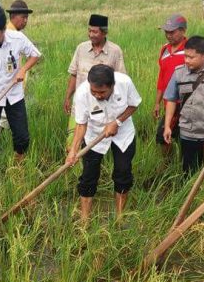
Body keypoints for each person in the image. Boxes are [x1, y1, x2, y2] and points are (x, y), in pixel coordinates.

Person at [66, 64, 141, 223]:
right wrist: (73, 150)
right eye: (94, 92)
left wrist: (118, 121)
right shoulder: (82, 93)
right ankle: (85, 219)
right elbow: (81, 124)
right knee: (88, 176)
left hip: (123, 135)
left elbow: (134, 104)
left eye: (102, 92)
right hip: (94, 136)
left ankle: (120, 217)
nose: (97, 95)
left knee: (122, 173)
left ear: (112, 86)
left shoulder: (124, 83)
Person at [0, 8, 41, 177]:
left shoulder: (17, 38)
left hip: (15, 95)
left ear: (4, 29)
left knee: (22, 138)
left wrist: (23, 69)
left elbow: (35, 55)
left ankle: (16, 171)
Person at [162, 36, 204, 175]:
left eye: (191, 57)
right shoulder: (179, 73)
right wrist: (167, 125)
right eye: (185, 56)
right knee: (188, 171)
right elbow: (171, 99)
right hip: (188, 132)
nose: (187, 61)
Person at [64, 14, 126, 146]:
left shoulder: (115, 51)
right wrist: (68, 97)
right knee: (72, 140)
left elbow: (121, 81)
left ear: (104, 33)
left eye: (95, 31)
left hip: (103, 107)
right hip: (80, 104)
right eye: (89, 30)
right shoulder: (81, 48)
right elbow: (74, 74)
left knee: (96, 143)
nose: (91, 34)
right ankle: (72, 164)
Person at [154, 14, 187, 153]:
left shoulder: (190, 49)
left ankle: (185, 168)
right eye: (166, 32)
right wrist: (157, 102)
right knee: (163, 136)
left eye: (172, 32)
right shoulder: (165, 49)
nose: (168, 35)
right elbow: (162, 77)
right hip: (169, 102)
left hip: (186, 101)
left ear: (183, 31)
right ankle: (168, 166)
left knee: (185, 137)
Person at [0, 0, 35, 132]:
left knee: (4, 120)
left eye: (27, 18)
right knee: (1, 121)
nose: (25, 21)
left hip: (14, 86)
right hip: (8, 87)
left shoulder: (16, 34)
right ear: (13, 17)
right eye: (23, 17)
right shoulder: (9, 34)